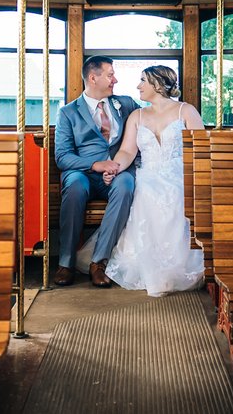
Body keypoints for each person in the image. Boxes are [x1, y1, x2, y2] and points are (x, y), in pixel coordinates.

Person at [78, 65, 205, 297]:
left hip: (179, 173)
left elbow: (201, 150)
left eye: (143, 80)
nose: (138, 86)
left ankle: (175, 265)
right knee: (145, 190)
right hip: (148, 171)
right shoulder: (137, 116)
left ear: (157, 84)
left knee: (176, 193)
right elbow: (127, 151)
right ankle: (147, 265)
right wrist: (114, 168)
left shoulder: (186, 111)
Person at [54, 55, 140, 287]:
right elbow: (62, 156)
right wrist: (94, 165)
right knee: (74, 185)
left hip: (118, 171)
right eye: (110, 75)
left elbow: (150, 120)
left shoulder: (127, 104)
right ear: (93, 78)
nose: (115, 80)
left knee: (126, 185)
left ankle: (98, 262)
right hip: (83, 173)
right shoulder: (68, 112)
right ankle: (66, 262)